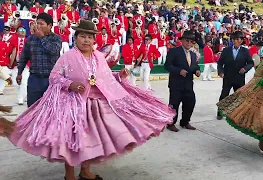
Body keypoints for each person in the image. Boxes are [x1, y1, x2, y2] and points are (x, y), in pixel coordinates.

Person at [9, 20, 175, 180]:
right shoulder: (67, 56)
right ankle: (69, 174)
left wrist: (119, 76)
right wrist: (70, 84)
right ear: (76, 38)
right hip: (72, 105)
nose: (86, 40)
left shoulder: (98, 57)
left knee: (90, 140)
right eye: (82, 36)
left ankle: (86, 170)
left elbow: (106, 77)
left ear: (94, 40)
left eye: (89, 37)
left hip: (96, 104)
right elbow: (54, 76)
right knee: (70, 141)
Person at [17, 13, 62, 107]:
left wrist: (42, 37)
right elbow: (24, 57)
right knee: (32, 107)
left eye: (42, 24)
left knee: (50, 108)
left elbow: (53, 51)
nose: (38, 26)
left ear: (49, 26)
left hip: (51, 79)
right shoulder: (31, 39)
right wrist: (19, 73)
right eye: (37, 23)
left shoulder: (56, 38)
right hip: (35, 78)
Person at [164, 30, 201, 132]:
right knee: (174, 105)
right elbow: (167, 66)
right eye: (187, 41)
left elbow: (194, 66)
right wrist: (179, 71)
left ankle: (185, 122)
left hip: (188, 84)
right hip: (176, 84)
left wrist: (197, 70)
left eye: (191, 41)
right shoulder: (174, 51)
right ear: (182, 41)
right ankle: (170, 123)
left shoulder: (193, 54)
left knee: (190, 103)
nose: (189, 43)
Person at [217, 31, 254, 120]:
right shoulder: (226, 50)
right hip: (228, 77)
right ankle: (220, 112)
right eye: (234, 39)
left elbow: (250, 63)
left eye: (237, 39)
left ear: (241, 40)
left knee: (239, 97)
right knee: (224, 95)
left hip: (239, 78)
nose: (235, 41)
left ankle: (237, 114)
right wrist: (221, 72)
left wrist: (245, 69)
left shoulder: (245, 51)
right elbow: (220, 63)